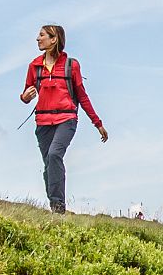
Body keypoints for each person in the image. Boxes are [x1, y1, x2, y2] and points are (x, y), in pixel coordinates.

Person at [19, 24, 107, 213]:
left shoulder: (71, 65)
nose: (37, 39)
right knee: (49, 164)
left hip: (66, 119)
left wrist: (97, 123)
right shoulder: (34, 66)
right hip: (42, 121)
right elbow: (25, 94)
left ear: (54, 39)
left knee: (54, 155)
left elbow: (82, 96)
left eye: (41, 35)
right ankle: (54, 205)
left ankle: (58, 206)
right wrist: (25, 97)